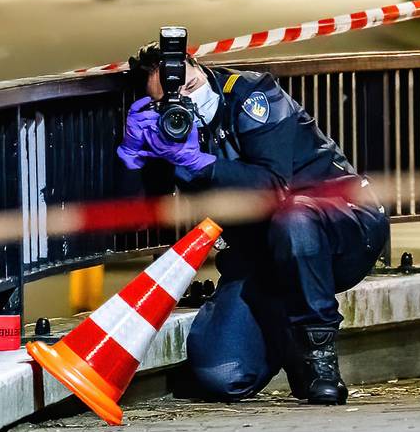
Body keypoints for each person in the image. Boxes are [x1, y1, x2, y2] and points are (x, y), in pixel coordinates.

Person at [116, 40, 389, 404]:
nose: (187, 101)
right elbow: (133, 220)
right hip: (265, 255)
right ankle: (291, 343)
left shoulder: (253, 94)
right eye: (172, 99)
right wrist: (134, 155)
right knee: (221, 375)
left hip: (345, 228)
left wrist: (202, 164)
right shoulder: (169, 130)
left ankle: (321, 362)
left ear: (199, 68)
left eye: (191, 86)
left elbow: (273, 189)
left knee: (294, 218)